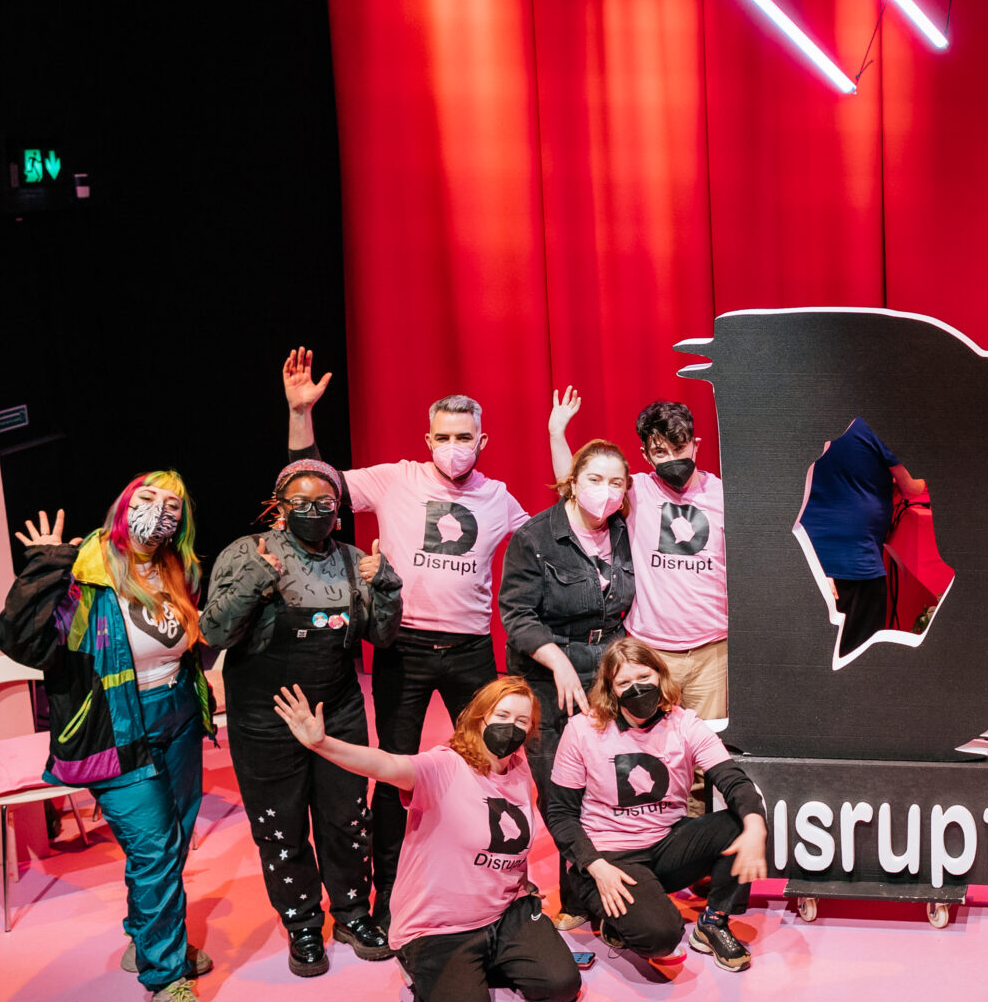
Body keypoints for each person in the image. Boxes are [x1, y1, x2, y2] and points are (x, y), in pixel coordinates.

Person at [282, 351, 530, 928]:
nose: (454, 446)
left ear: (482, 439)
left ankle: (493, 884)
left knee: (493, 767)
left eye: (464, 436)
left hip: (471, 651)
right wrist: (300, 414)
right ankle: (387, 898)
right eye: (443, 436)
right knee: (393, 774)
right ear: (427, 437)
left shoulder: (499, 499)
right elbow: (310, 484)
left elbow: (548, 540)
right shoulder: (396, 478)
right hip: (403, 648)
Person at [0, 476, 219, 1002]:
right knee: (156, 849)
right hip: (114, 727)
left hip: (180, 717)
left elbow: (195, 645)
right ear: (121, 505)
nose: (157, 514)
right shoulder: (84, 572)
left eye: (171, 506)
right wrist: (45, 565)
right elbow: (21, 641)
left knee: (176, 837)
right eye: (145, 500)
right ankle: (166, 982)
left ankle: (147, 937)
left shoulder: (179, 567)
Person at [267, 677, 581, 1002]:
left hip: (503, 913)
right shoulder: (443, 767)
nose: (510, 727)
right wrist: (323, 744)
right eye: (502, 714)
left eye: (521, 721)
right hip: (441, 927)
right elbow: (384, 764)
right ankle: (427, 973)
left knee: (560, 987)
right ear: (479, 717)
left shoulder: (518, 767)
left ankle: (479, 969)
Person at [200, 457, 403, 976]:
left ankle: (355, 914)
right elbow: (214, 633)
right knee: (281, 827)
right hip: (265, 718)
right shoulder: (247, 553)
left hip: (336, 710)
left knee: (345, 821)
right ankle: (302, 924)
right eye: (300, 504)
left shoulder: (355, 560)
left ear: (339, 510)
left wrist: (387, 588)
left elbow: (380, 637)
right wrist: (255, 579)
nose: (313, 513)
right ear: (279, 506)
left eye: (325, 504)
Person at [543, 639, 772, 972]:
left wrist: (755, 828)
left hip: (665, 845)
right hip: (609, 858)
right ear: (611, 690)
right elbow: (560, 814)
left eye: (644, 678)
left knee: (745, 820)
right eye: (624, 683)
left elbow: (734, 781)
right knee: (661, 936)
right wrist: (595, 864)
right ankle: (616, 917)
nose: (636, 688)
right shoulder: (582, 730)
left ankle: (713, 922)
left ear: (661, 677)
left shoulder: (684, 723)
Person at [549, 390, 731, 716]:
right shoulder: (636, 491)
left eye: (681, 448)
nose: (673, 458)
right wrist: (556, 434)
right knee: (652, 747)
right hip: (650, 652)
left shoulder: (723, 495)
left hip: (713, 651)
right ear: (646, 454)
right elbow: (574, 489)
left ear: (696, 445)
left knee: (707, 752)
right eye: (661, 451)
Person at [498, 441, 636, 794]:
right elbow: (517, 615)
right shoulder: (535, 537)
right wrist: (558, 662)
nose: (605, 491)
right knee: (559, 784)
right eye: (595, 479)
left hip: (607, 666)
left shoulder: (626, 530)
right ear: (572, 483)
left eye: (616, 483)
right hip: (547, 673)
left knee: (611, 781)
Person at [801, 418, 930, 654]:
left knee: (811, 654)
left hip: (806, 557)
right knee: (856, 659)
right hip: (856, 562)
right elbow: (912, 487)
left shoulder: (807, 418)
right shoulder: (875, 421)